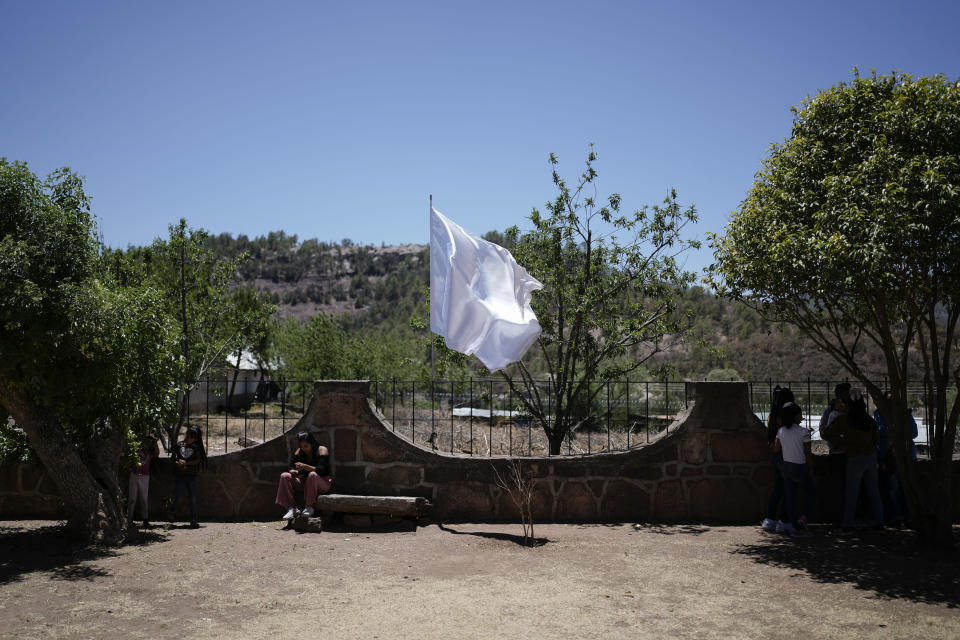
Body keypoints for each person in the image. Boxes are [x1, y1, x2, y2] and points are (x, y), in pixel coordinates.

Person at [821, 389, 883, 531]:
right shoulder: (869, 421)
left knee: (851, 492)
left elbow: (827, 433)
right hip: (870, 457)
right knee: (874, 490)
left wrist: (843, 442)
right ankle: (879, 521)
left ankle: (847, 523)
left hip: (854, 457)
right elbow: (876, 439)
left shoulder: (844, 420)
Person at [774, 402, 817, 537]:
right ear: (795, 416)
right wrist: (811, 469)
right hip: (800, 467)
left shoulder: (780, 431)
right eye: (800, 415)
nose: (802, 417)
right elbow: (807, 453)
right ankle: (803, 518)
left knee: (791, 498)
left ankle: (794, 528)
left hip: (786, 467)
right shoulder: (804, 432)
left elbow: (776, 449)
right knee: (812, 493)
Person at [276, 431, 332, 521]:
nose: (304, 448)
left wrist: (305, 466)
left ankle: (309, 507)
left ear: (312, 443)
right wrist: (293, 471)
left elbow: (322, 469)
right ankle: (292, 508)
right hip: (304, 482)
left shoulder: (322, 450)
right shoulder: (299, 451)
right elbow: (291, 465)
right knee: (284, 476)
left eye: (306, 446)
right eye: (302, 446)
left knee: (312, 475)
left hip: (322, 483)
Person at [761, 386, 794, 532]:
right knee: (788, 488)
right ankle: (784, 520)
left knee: (778, 488)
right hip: (786, 453)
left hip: (775, 452)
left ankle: (770, 519)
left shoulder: (772, 414)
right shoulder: (787, 414)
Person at [818, 382, 850, 527]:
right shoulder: (831, 411)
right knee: (839, 487)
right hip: (838, 452)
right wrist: (837, 440)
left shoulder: (849, 410)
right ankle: (837, 518)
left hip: (844, 452)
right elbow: (824, 431)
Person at [169, 424, 207, 528]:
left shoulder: (196, 447)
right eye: (191, 437)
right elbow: (173, 458)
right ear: (187, 435)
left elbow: (198, 460)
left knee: (192, 498)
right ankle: (171, 511)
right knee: (179, 496)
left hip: (192, 476)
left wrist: (186, 463)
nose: (192, 440)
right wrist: (178, 463)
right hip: (180, 476)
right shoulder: (179, 445)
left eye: (194, 438)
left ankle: (193, 519)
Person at [128, 435, 160, 528]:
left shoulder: (150, 453)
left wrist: (156, 442)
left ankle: (145, 519)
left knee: (144, 499)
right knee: (132, 499)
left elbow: (157, 454)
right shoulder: (137, 450)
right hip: (134, 475)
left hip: (145, 477)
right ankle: (129, 518)